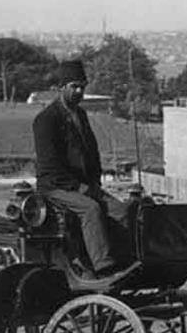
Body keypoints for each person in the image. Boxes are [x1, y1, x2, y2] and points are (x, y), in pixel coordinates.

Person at [33, 60, 128, 278]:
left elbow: (90, 153)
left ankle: (123, 259)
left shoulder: (81, 115)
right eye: (74, 86)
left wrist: (95, 185)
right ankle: (103, 267)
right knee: (91, 209)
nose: (79, 91)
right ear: (61, 88)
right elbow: (50, 166)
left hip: (84, 185)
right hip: (55, 187)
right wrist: (80, 188)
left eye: (82, 87)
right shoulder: (46, 120)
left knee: (121, 210)